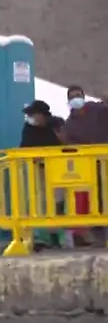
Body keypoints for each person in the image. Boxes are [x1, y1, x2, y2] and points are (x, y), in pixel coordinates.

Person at [62, 85, 108, 246]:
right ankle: (94, 232)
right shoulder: (69, 124)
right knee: (92, 199)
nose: (76, 99)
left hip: (105, 161)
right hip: (87, 166)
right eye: (72, 96)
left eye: (78, 95)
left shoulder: (98, 110)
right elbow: (69, 143)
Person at [20, 100, 69, 251]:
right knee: (42, 203)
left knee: (59, 202)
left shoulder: (55, 125)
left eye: (33, 114)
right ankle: (45, 237)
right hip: (39, 170)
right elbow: (24, 148)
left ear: (43, 115)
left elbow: (65, 145)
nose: (31, 117)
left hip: (59, 169)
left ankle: (59, 237)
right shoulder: (28, 129)